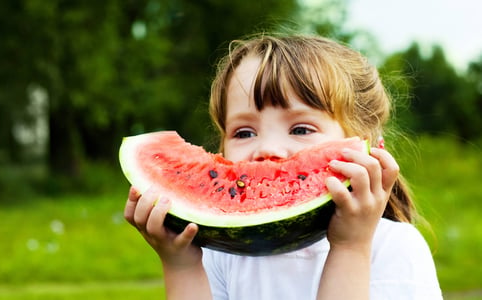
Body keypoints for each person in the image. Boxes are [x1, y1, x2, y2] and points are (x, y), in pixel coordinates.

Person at [124, 33, 442, 299]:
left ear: (368, 147)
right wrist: (181, 264)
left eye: (300, 129)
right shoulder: (222, 256)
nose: (268, 149)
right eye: (244, 132)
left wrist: (351, 246)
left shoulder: (393, 247)